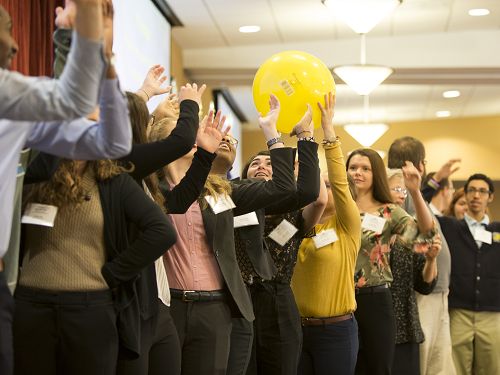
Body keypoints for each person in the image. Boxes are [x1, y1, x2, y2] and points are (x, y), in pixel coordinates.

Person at [152, 93, 297, 375]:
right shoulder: (151, 188)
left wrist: (270, 131)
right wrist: (154, 113)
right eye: (180, 131)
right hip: (167, 305)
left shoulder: (220, 190)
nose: (190, 136)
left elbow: (284, 187)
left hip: (213, 307)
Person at [237, 101, 324, 375]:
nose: (261, 167)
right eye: (255, 164)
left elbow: (318, 199)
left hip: (278, 296)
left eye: (269, 163)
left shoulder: (292, 208)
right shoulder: (237, 198)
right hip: (241, 295)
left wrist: (305, 137)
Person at [346, 148, 436, 375]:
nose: (357, 173)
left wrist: (415, 192)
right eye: (352, 167)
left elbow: (424, 237)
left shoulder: (389, 211)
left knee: (378, 368)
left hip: (374, 300)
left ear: (376, 173)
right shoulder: (335, 207)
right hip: (338, 300)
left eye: (365, 168)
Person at [291, 93, 361, 375]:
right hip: (295, 331)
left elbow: (341, 184)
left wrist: (327, 132)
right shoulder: (294, 227)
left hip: (336, 331)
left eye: (327, 186)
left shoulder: (346, 226)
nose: (322, 189)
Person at [388, 137, 456, 375]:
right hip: (420, 292)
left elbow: (423, 195)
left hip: (435, 290)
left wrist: (437, 179)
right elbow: (420, 236)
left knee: (439, 362)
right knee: (425, 361)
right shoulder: (400, 193)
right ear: (419, 164)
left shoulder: (409, 192)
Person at [436, 174, 500, 375]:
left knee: (491, 369)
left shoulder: (497, 231)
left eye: (482, 191)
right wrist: (435, 180)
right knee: (456, 369)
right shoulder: (451, 226)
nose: (476, 195)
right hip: (458, 313)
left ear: (490, 197)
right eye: (471, 190)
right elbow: (425, 210)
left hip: (492, 314)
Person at [386, 168, 440, 375]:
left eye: (405, 191)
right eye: (397, 189)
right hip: (368, 329)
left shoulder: (409, 231)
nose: (402, 195)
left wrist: (431, 259)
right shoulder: (366, 226)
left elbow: (425, 285)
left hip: (405, 329)